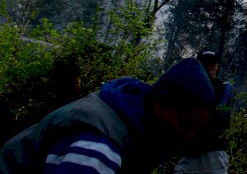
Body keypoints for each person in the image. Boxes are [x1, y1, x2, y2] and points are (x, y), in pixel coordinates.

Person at [0, 58, 215, 174]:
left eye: (198, 130)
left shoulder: (122, 112)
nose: (190, 136)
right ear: (163, 105)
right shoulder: (99, 145)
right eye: (188, 124)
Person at [174, 50, 234, 174]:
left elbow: (220, 116)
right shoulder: (188, 88)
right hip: (189, 151)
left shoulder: (224, 87)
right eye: (205, 64)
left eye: (212, 64)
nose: (208, 68)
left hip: (213, 152)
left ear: (217, 66)